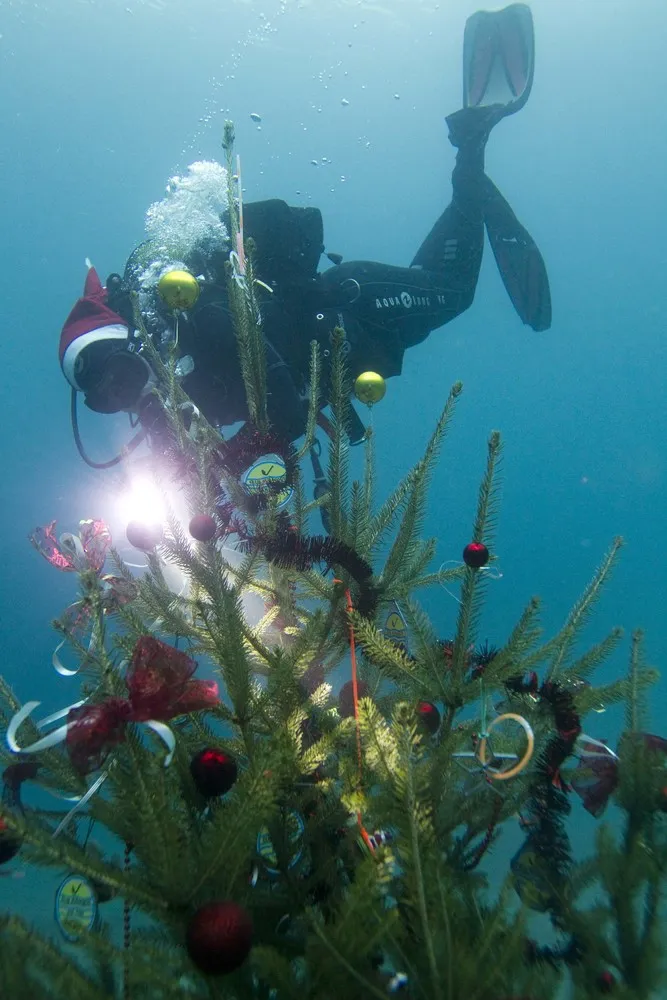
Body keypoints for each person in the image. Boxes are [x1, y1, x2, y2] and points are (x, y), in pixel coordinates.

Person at [58, 3, 550, 473]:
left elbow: (287, 412)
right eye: (109, 399)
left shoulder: (202, 319)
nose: (125, 393)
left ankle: (471, 148)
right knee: (435, 284)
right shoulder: (168, 401)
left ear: (132, 342)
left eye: (119, 375)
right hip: (352, 354)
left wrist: (231, 459)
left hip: (352, 308)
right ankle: (471, 182)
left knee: (454, 292)